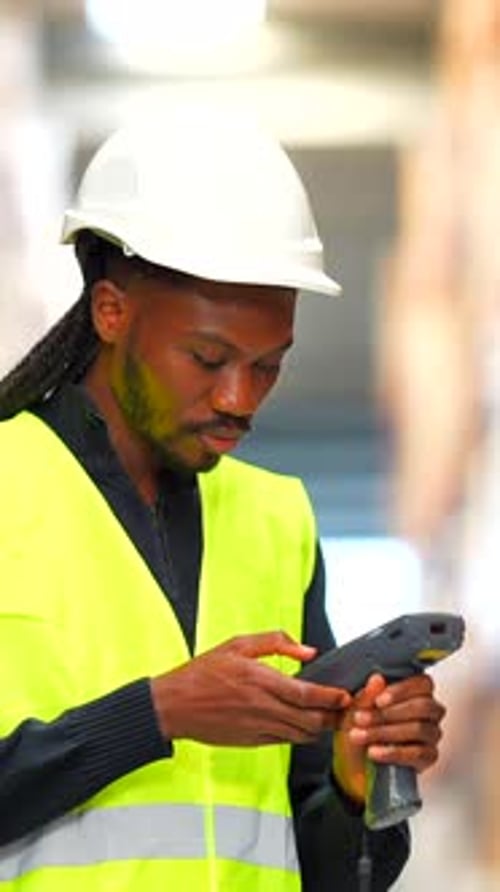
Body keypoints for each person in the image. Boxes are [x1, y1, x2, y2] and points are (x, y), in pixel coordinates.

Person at [0, 108, 445, 892]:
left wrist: (351, 781)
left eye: (268, 365)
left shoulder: (279, 522)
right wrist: (157, 714)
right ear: (112, 312)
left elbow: (327, 873)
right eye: (208, 358)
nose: (241, 398)